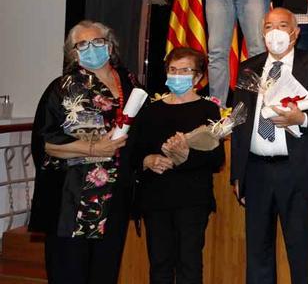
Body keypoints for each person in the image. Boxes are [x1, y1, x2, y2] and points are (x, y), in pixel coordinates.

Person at [229, 8, 308, 284]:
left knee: (301, 254)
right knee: (257, 254)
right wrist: (238, 173)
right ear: (262, 32)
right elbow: (239, 121)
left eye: (282, 25)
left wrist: (301, 118)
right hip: (256, 173)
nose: (275, 31)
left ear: (295, 32)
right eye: (269, 26)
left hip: (298, 172)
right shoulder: (248, 67)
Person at [29, 20, 138, 284]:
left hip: (115, 199)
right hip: (72, 200)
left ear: (110, 46)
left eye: (98, 42)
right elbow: (45, 143)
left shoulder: (130, 82)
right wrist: (92, 148)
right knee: (69, 273)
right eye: (82, 44)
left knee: (105, 272)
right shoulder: (63, 87)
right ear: (73, 52)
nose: (92, 48)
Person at [131, 47, 225, 284]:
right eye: (173, 70)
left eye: (184, 70)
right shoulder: (150, 110)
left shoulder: (209, 110)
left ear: (197, 77)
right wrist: (147, 160)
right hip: (156, 199)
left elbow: (217, 160)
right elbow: (133, 152)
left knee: (189, 264)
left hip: (192, 200)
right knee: (159, 264)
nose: (177, 75)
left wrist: (185, 155)